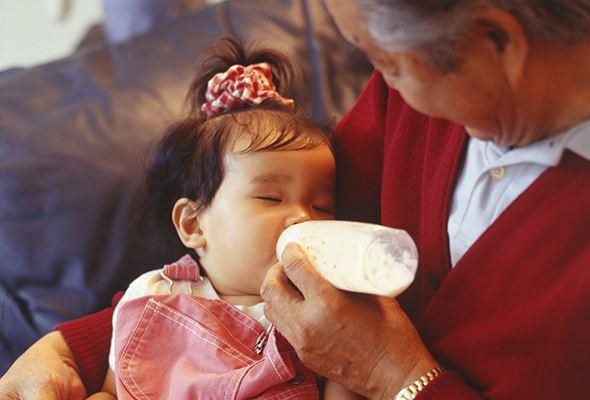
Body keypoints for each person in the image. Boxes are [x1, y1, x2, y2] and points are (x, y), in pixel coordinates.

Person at [2, 0, 590, 399]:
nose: (378, 80)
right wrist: (70, 346)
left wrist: (398, 378)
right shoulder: (408, 107)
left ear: (496, 41)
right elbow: (232, 266)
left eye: (383, 59)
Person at [82, 37, 357, 399]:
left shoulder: (325, 313)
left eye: (322, 206)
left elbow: (353, 376)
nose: (303, 218)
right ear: (193, 224)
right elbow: (114, 390)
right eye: (271, 197)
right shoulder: (154, 297)